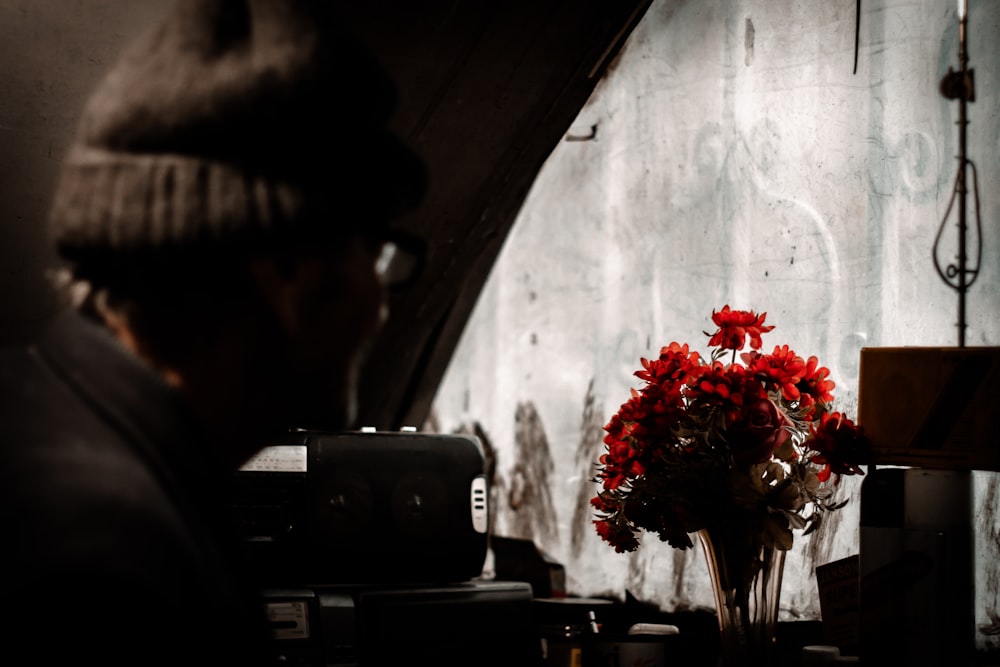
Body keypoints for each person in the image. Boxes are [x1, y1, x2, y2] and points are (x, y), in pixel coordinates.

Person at [0, 1, 428, 664]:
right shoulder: (106, 568)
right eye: (372, 252)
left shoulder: (40, 415)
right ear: (286, 273)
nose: (380, 302)